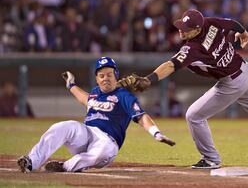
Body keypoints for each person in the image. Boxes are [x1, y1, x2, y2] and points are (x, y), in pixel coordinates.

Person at [118, 9, 248, 169]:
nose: (182, 29)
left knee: (194, 115)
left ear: (198, 29)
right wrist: (243, 33)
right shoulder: (211, 23)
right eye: (181, 25)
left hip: (232, 82)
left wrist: (149, 79)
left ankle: (210, 159)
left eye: (187, 28)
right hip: (245, 70)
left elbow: (171, 65)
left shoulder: (193, 47)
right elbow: (233, 24)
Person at [17, 56, 175, 173]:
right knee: (63, 126)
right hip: (86, 133)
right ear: (97, 79)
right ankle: (31, 161)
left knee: (101, 151)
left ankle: (64, 167)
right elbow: (84, 99)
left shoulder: (124, 96)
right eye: (101, 75)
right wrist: (70, 84)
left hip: (107, 141)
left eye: (109, 74)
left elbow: (141, 117)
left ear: (116, 76)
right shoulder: (94, 93)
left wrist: (156, 133)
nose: (105, 77)